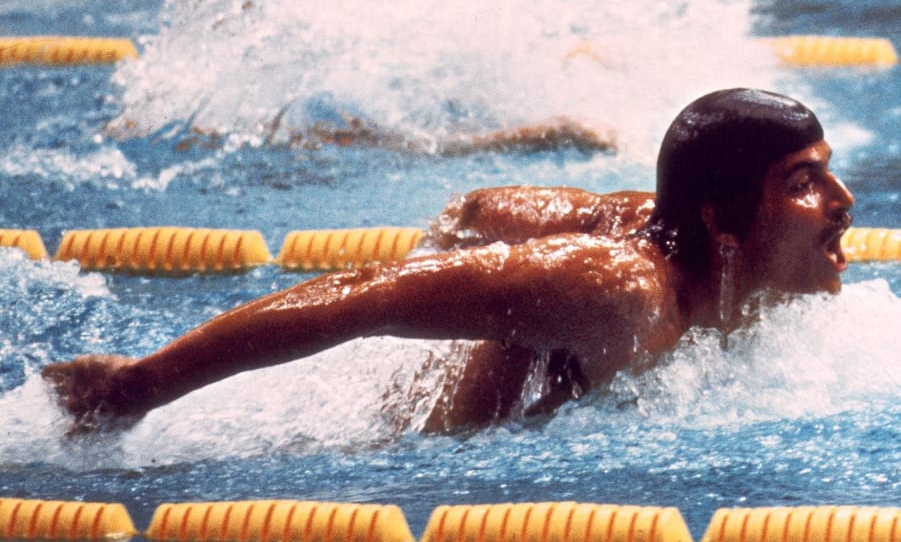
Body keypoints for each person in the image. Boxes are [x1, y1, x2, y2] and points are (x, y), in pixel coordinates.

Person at [43, 88, 854, 434]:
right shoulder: (617, 294)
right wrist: (141, 385)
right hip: (429, 425)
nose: (844, 200)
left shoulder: (706, 260)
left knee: (490, 215)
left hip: (552, 240)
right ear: (720, 220)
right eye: (804, 182)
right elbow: (365, 297)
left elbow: (523, 213)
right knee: (483, 245)